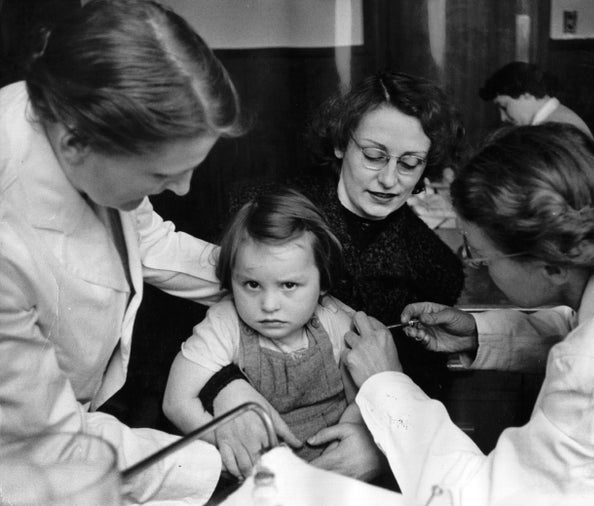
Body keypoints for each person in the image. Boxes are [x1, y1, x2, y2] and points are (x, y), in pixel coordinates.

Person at [342, 123, 594, 505]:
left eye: (481, 257)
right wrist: (479, 333)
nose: (475, 265)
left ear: (552, 266)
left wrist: (386, 384)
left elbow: (477, 499)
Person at [0, 0, 243, 503]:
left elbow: (147, 240)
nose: (181, 189)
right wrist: (218, 463)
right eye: (160, 174)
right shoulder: (8, 235)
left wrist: (259, 277)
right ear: (75, 145)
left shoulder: (75, 108)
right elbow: (52, 442)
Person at [201, 70, 467, 480]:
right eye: (374, 156)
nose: (390, 179)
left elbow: (427, 387)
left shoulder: (435, 266)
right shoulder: (255, 208)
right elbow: (179, 328)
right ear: (342, 143)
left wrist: (380, 444)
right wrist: (221, 386)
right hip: (238, 452)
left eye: (410, 164)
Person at [163, 188, 363, 472]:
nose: (269, 305)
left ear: (324, 283)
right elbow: (177, 402)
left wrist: (343, 441)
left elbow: (362, 400)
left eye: (289, 285)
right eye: (252, 285)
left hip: (330, 472)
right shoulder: (224, 324)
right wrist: (225, 442)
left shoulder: (335, 322)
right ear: (231, 278)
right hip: (256, 476)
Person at [479, 61, 593, 138]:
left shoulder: (555, 129)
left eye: (504, 107)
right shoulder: (556, 117)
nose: (503, 118)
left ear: (526, 93)